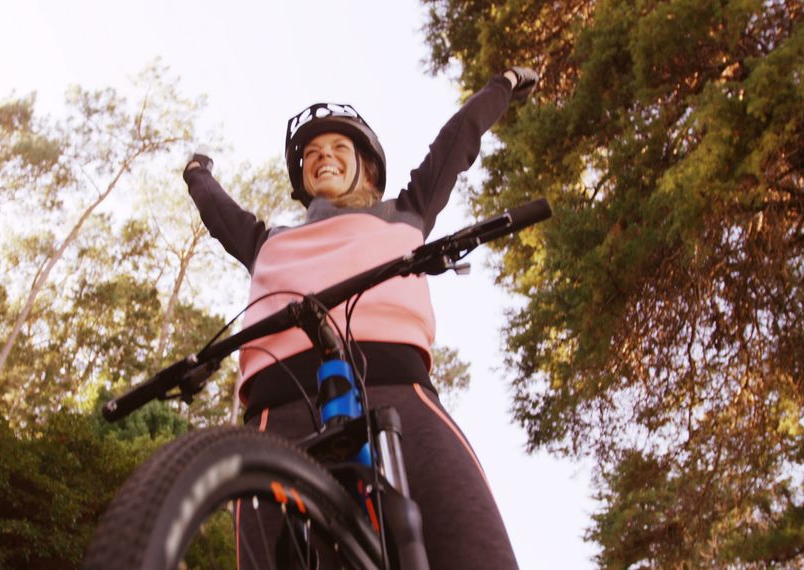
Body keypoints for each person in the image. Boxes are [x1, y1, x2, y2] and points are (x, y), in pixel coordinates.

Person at [183, 65, 538, 569]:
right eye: (312, 154)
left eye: (337, 149)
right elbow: (219, 214)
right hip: (279, 403)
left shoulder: (407, 212)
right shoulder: (269, 242)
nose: (322, 157)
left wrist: (501, 84)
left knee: (471, 539)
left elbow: (455, 143)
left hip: (399, 388)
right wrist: (197, 173)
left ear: (366, 168)